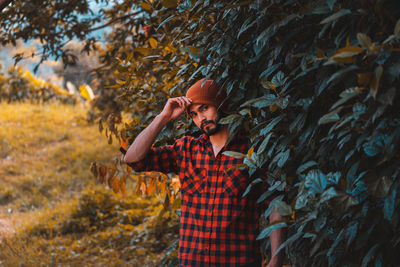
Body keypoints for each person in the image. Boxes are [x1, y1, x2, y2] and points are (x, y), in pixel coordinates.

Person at [121, 79, 284, 267]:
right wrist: (163, 117)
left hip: (238, 261)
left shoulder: (251, 153)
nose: (201, 119)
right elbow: (133, 159)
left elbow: (276, 205)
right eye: (194, 115)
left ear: (221, 104)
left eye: (204, 108)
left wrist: (276, 260)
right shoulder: (186, 149)